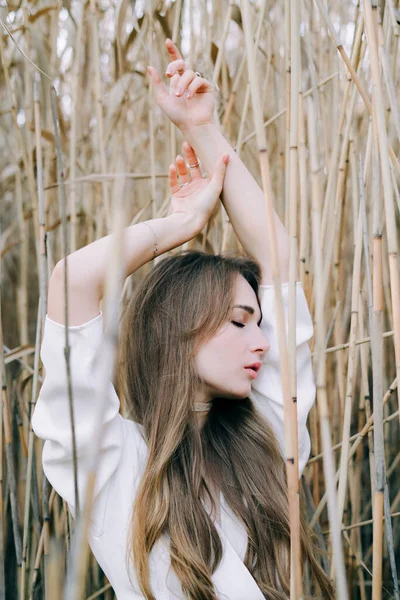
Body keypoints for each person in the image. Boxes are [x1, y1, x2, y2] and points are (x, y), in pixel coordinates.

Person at [32, 40, 334, 600]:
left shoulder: (266, 439)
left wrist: (204, 130)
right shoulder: (113, 465)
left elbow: (280, 263)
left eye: (260, 321)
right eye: (239, 322)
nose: (263, 340)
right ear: (178, 328)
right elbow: (71, 282)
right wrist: (180, 226)